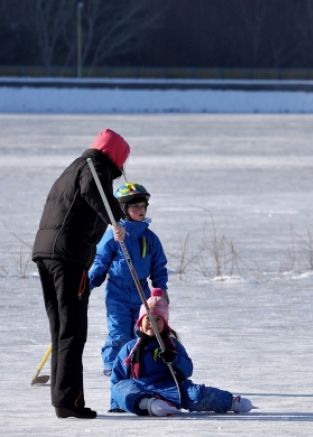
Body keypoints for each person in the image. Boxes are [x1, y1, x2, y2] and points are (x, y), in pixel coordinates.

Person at [32, 128, 130, 419]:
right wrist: (116, 218)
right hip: (69, 257)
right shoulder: (94, 167)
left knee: (61, 330)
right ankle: (70, 401)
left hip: (46, 253)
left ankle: (63, 399)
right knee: (73, 331)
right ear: (116, 157)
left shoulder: (74, 166)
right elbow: (92, 192)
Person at [110, 288, 253, 416]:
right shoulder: (130, 348)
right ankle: (150, 405)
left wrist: (174, 359)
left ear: (165, 324)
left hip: (172, 387)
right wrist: (116, 403)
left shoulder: (171, 344)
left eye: (157, 319)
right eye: (148, 318)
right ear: (140, 322)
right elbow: (118, 376)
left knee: (196, 393)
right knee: (121, 388)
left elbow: (188, 369)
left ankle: (230, 402)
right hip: (141, 389)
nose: (152, 323)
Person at [88, 182, 168, 377]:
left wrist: (160, 290)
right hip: (118, 291)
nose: (141, 210)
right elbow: (100, 261)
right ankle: (112, 366)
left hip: (142, 291)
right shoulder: (114, 237)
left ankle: (136, 363)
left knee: (141, 331)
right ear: (123, 210)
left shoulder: (150, 238)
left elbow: (159, 265)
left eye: (143, 206)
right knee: (119, 332)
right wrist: (88, 283)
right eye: (135, 207)